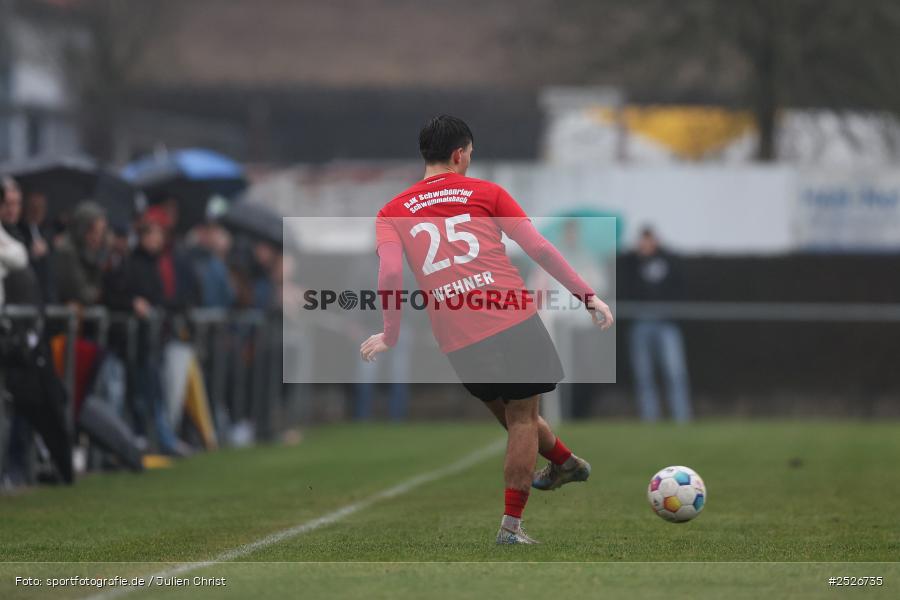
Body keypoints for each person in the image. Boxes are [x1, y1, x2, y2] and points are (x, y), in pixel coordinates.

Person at [360, 115, 614, 544]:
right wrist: (587, 296)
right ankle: (511, 528)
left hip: (457, 334)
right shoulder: (487, 192)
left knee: (516, 418)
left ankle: (566, 463)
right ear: (460, 154)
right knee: (523, 419)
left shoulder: (391, 212)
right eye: (470, 156)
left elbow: (388, 275)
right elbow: (538, 247)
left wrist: (390, 334)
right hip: (510, 316)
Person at [621, 226, 692, 422]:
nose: (646, 245)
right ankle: (649, 418)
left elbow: (680, 285)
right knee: (643, 374)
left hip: (666, 322)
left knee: (675, 371)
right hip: (640, 322)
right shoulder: (632, 263)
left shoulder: (669, 260)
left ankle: (682, 417)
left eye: (649, 241)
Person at [52, 202, 108, 306]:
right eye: (94, 232)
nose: (98, 238)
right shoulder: (67, 251)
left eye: (101, 232)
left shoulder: (94, 252)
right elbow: (81, 293)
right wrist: (101, 294)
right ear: (83, 229)